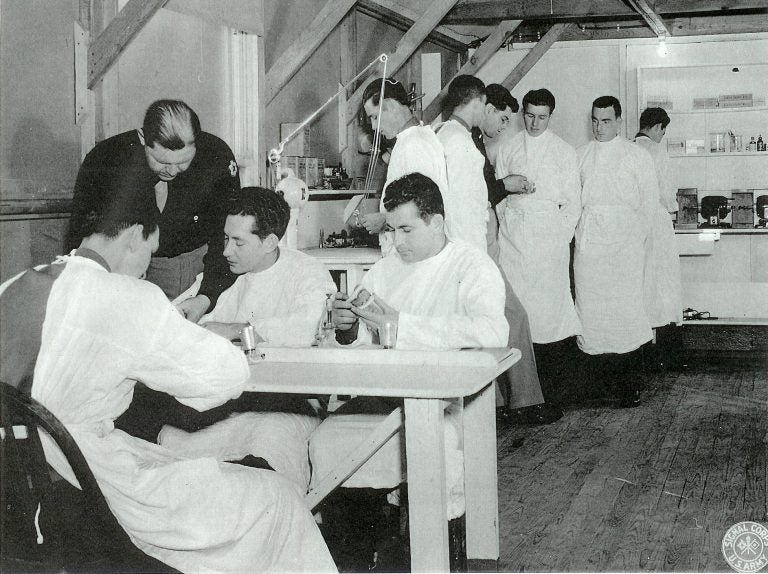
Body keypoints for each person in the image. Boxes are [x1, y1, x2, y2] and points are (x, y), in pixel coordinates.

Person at [0, 202, 336, 573]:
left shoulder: (13, 285)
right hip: (82, 488)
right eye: (149, 252)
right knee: (279, 498)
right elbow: (225, 376)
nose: (145, 268)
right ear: (133, 237)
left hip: (19, 487)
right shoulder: (126, 295)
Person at [311, 172, 508, 521]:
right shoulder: (385, 270)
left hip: (447, 402)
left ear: (437, 223)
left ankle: (438, 546)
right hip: (384, 394)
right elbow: (359, 341)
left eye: (406, 230)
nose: (397, 242)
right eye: (391, 230)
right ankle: (359, 546)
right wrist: (348, 328)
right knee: (328, 440)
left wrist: (404, 326)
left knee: (434, 446)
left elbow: (492, 332)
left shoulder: (472, 266)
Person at [157, 187, 337, 491]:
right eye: (225, 239)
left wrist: (236, 329)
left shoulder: (307, 273)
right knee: (171, 440)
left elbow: (307, 328)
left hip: (293, 406)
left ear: (269, 242)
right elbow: (178, 317)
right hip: (235, 401)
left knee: (268, 445)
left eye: (238, 242)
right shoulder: (227, 275)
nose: (226, 251)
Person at [68, 99, 240, 323]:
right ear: (142, 138)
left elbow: (227, 235)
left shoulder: (217, 156)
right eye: (160, 161)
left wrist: (207, 296)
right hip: (128, 268)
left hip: (200, 264)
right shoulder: (106, 160)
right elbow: (84, 239)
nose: (171, 171)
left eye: (183, 162)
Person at [438, 75, 547, 422]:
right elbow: (467, 201)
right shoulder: (460, 143)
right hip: (469, 250)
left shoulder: (457, 138)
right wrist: (505, 185)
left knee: (491, 324)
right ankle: (526, 404)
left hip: (470, 247)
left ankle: (499, 403)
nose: (503, 127)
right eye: (501, 118)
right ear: (484, 106)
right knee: (513, 317)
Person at [494, 88, 582, 412]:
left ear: (550, 116)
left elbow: (573, 202)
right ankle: (521, 396)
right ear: (522, 113)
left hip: (549, 240)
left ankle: (551, 393)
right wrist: (510, 227)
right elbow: (499, 198)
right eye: (529, 115)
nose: (534, 122)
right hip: (514, 240)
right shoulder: (508, 148)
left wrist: (558, 236)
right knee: (518, 316)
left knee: (550, 316)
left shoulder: (564, 152)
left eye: (541, 117)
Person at [575, 96, 659, 407]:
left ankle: (629, 387)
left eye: (606, 120)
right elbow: (572, 203)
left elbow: (649, 205)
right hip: (590, 248)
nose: (599, 127)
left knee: (625, 313)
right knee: (592, 313)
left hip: (624, 247)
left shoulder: (637, 157)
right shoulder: (580, 156)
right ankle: (597, 386)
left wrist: (632, 240)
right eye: (595, 120)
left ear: (619, 122)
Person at [357, 78, 448, 256]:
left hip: (414, 253)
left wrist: (385, 220)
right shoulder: (412, 139)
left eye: (375, 117)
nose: (374, 127)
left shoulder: (414, 144)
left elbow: (424, 206)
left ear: (390, 106)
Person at [634, 108, 683, 336]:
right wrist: (673, 209)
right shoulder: (656, 150)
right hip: (656, 222)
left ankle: (642, 343)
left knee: (638, 280)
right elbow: (666, 192)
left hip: (632, 224)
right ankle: (663, 347)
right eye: (663, 131)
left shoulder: (627, 149)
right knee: (662, 282)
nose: (662, 136)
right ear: (657, 127)